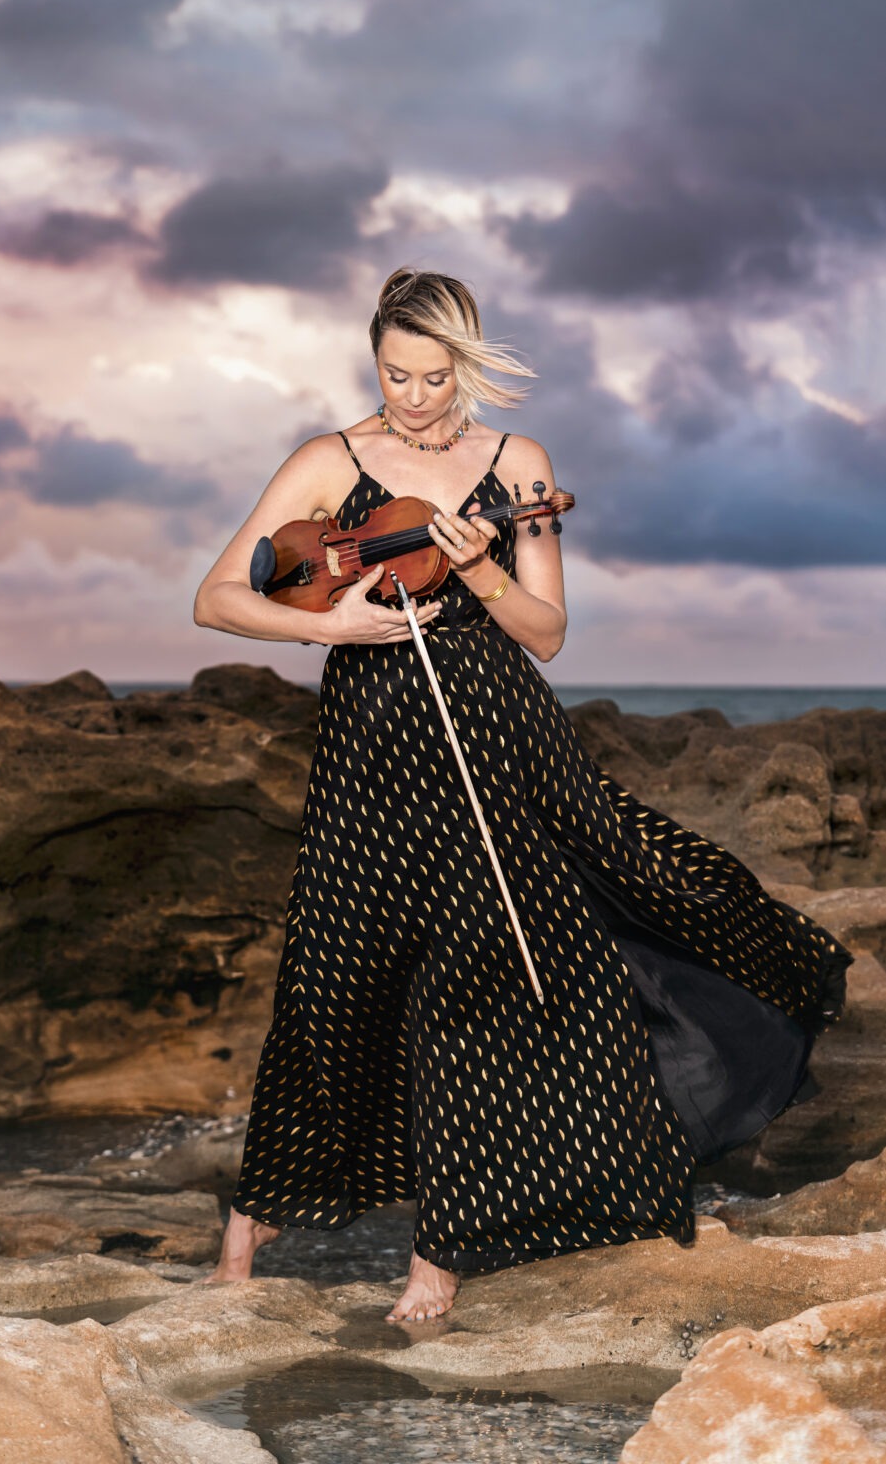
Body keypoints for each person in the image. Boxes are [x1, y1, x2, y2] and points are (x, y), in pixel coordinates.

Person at [192, 266, 853, 1324]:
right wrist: (331, 626)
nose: (411, 395)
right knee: (327, 975)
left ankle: (439, 1258)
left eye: (432, 374)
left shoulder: (517, 466)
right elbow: (218, 596)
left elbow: (544, 635)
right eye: (393, 373)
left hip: (494, 744)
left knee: (471, 990)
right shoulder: (328, 460)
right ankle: (246, 1235)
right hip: (368, 753)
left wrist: (484, 571)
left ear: (468, 358)